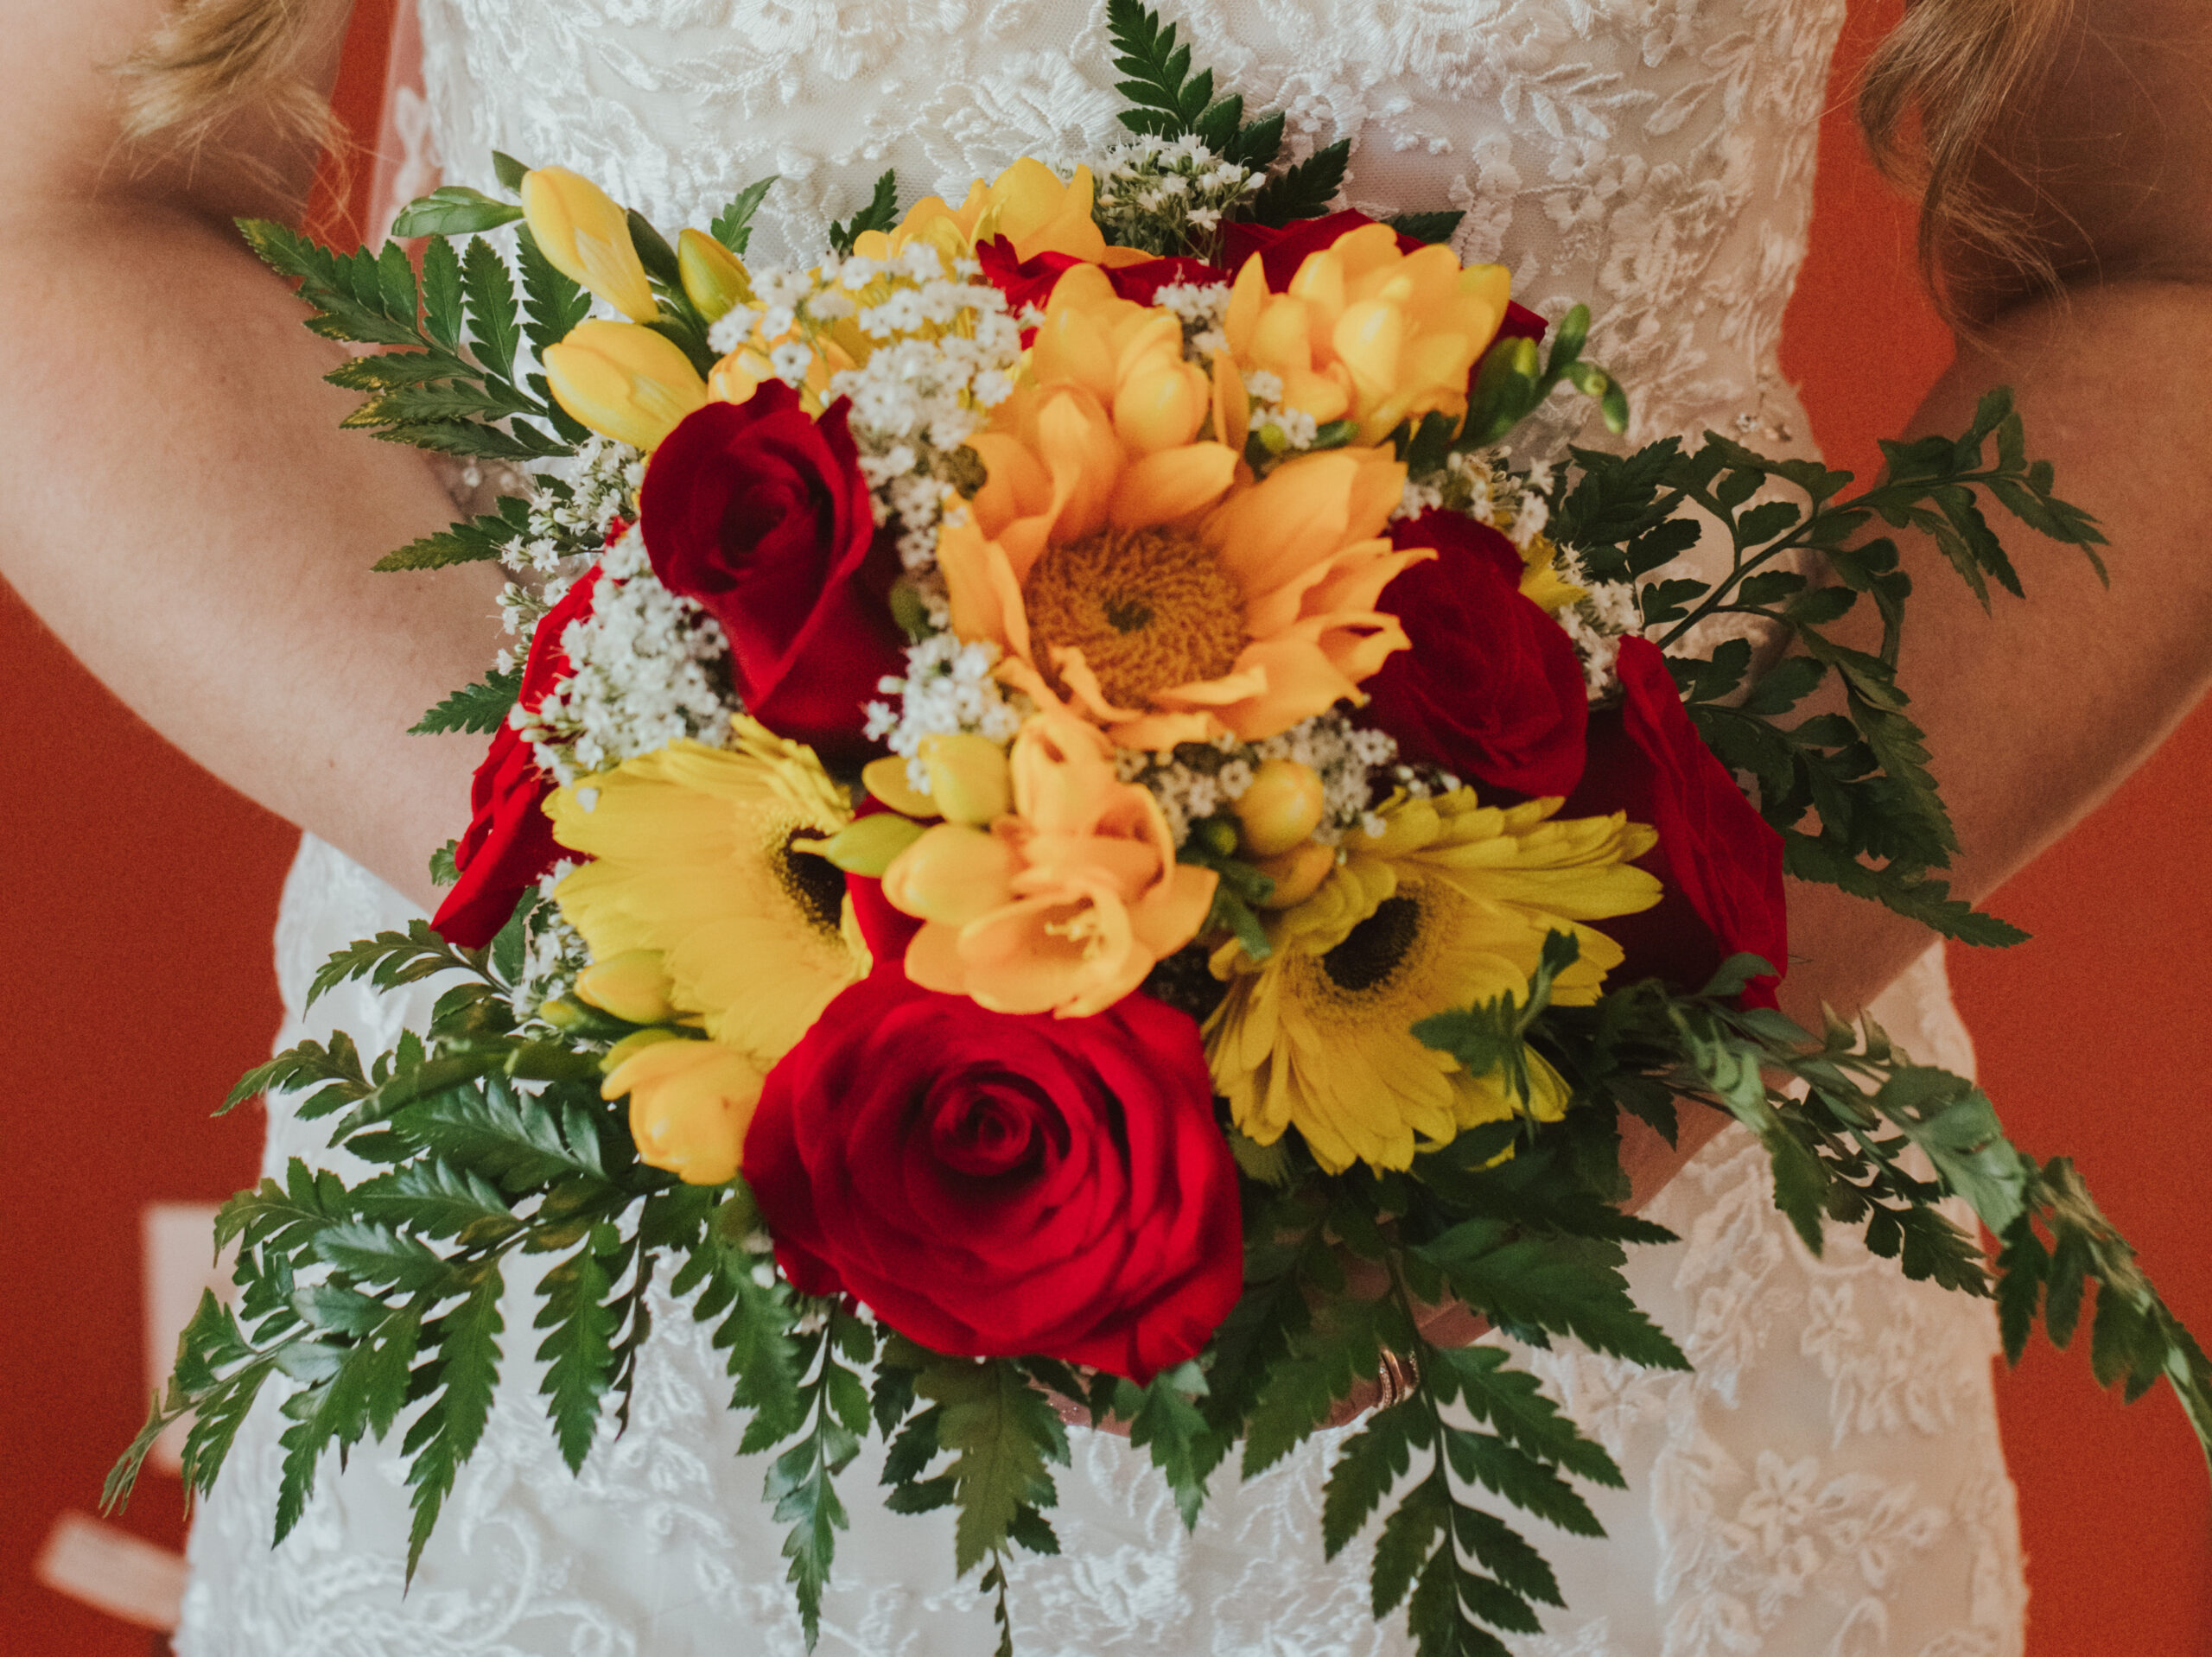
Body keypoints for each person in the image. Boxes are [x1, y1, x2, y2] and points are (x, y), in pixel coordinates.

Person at [3, 0, 2207, 1650]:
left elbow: (2168, 275)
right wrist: (677, 903)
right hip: (623, 1248)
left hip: (1598, 1228)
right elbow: (46, 213)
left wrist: (1635, 1030)